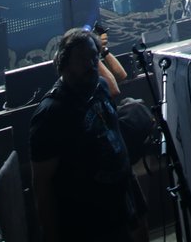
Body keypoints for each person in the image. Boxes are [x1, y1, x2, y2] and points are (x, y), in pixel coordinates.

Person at [29, 28, 141, 242]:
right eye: (82, 59)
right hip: (88, 225)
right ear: (64, 62)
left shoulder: (100, 87)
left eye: (94, 57)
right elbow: (41, 184)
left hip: (121, 204)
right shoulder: (50, 113)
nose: (90, 64)